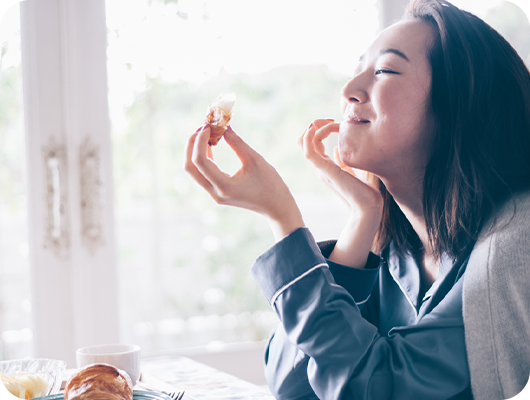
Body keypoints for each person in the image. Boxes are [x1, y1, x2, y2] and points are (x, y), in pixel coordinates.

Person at [185, 0, 530, 398]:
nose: (349, 90)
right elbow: (295, 386)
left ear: (457, 107)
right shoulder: (394, 254)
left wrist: (283, 219)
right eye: (357, 69)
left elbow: (373, 389)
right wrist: (359, 222)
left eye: (384, 70)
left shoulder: (515, 247)